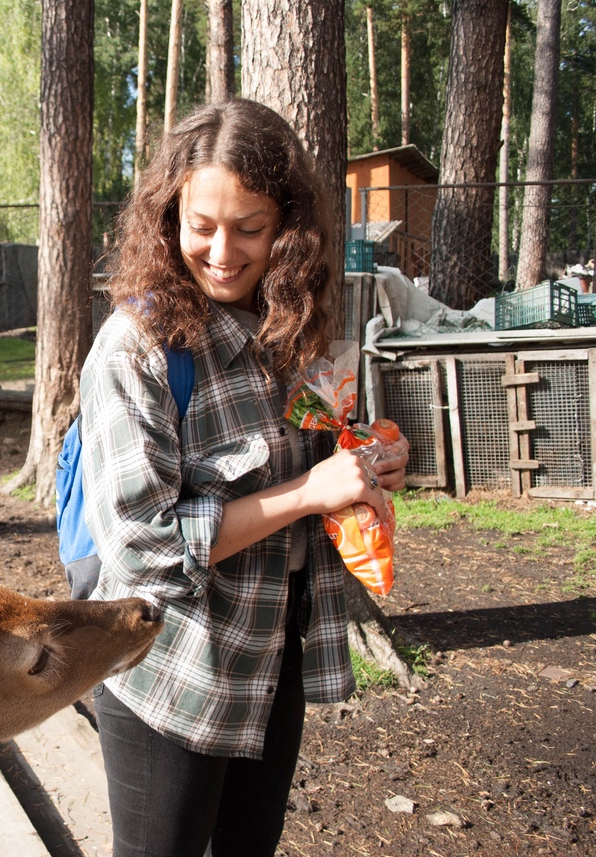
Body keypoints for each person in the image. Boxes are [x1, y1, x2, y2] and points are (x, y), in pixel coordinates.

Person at [79, 97, 409, 857]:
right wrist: (308, 493)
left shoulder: (297, 328)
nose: (222, 251)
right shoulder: (134, 351)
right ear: (170, 218)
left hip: (270, 665)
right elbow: (143, 551)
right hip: (170, 675)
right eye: (201, 225)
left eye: (250, 228)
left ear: (287, 227)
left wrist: (373, 460)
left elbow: (338, 447)